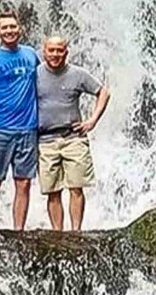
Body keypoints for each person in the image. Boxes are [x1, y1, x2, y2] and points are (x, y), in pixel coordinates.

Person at [0, 8, 39, 231]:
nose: (9, 31)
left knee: (24, 183)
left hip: (28, 129)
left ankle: (18, 232)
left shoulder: (31, 54)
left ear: (20, 28)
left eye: (13, 26)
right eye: (5, 27)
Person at [37, 36, 110, 231]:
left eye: (59, 50)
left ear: (66, 52)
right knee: (53, 191)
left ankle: (76, 232)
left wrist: (92, 120)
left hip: (73, 138)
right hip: (45, 140)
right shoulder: (34, 75)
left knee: (76, 188)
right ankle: (57, 233)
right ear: (44, 51)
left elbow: (103, 92)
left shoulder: (78, 74)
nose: (55, 54)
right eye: (51, 50)